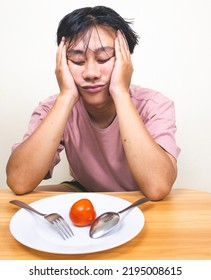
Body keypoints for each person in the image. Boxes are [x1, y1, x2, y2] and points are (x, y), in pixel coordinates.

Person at [6, 6, 180, 200]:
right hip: (85, 192)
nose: (91, 73)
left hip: (139, 197)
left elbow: (157, 187)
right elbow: (19, 181)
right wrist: (66, 97)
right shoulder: (53, 108)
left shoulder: (154, 105)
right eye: (78, 60)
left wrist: (121, 93)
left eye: (103, 58)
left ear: (126, 60)